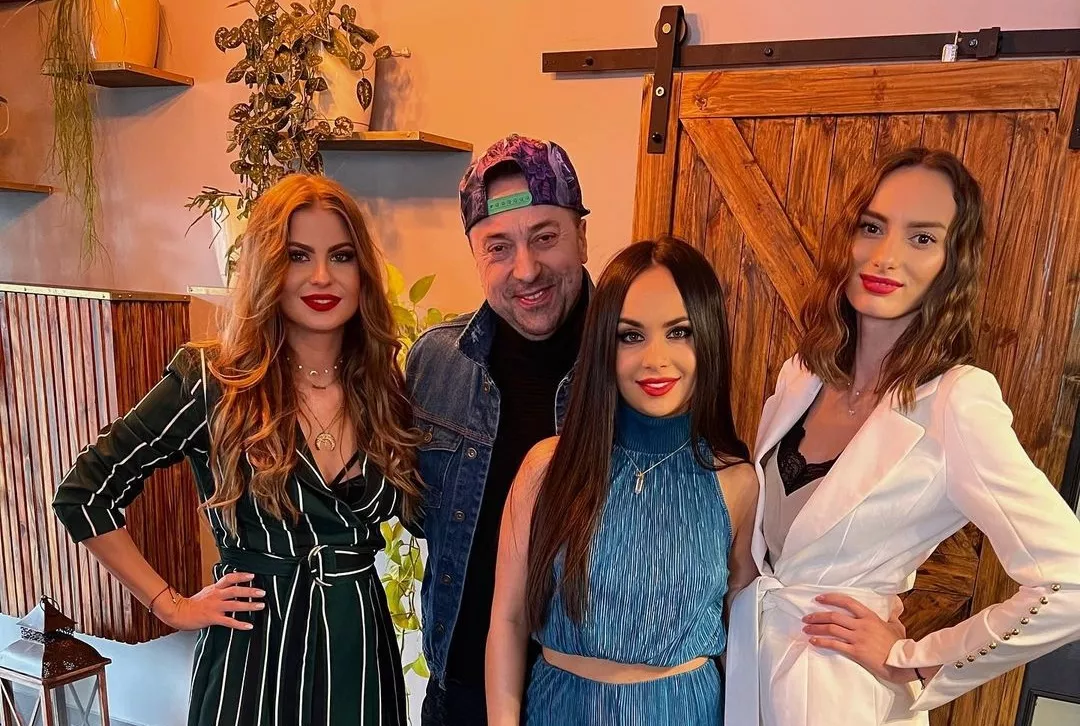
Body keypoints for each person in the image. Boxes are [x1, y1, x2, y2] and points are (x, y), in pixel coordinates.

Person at [725, 148, 1080, 726]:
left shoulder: (956, 402)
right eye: (873, 227)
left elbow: (1069, 584)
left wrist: (918, 661)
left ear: (951, 262)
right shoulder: (801, 376)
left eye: (922, 238)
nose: (886, 256)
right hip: (750, 675)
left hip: (842, 698)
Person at [52, 174, 421, 725]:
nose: (322, 276)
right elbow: (84, 495)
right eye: (298, 256)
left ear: (363, 270)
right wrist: (170, 605)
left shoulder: (386, 389)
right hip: (254, 652)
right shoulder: (213, 382)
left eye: (341, 256)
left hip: (357, 650)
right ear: (268, 268)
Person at [486, 238, 759, 725]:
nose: (655, 359)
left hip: (684, 713)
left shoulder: (735, 482)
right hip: (561, 710)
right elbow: (508, 621)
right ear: (603, 347)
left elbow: (744, 639)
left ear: (709, 338)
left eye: (679, 332)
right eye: (631, 336)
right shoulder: (546, 469)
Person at [406, 134, 592, 725]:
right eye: (498, 247)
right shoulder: (436, 364)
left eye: (545, 237)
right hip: (458, 696)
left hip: (588, 701)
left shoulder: (633, 366)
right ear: (475, 256)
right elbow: (415, 512)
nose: (526, 269)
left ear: (582, 236)